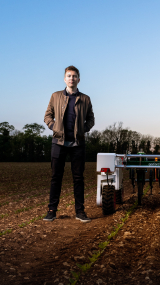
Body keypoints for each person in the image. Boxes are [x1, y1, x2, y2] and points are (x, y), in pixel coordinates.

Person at [43, 65, 95, 223]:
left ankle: (80, 212)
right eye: (69, 76)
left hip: (78, 144)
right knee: (56, 177)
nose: (71, 78)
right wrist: (55, 127)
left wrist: (82, 130)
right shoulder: (55, 96)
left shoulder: (85, 99)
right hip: (58, 143)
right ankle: (52, 211)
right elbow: (47, 116)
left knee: (78, 178)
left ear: (79, 79)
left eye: (74, 76)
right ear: (64, 79)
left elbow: (91, 119)